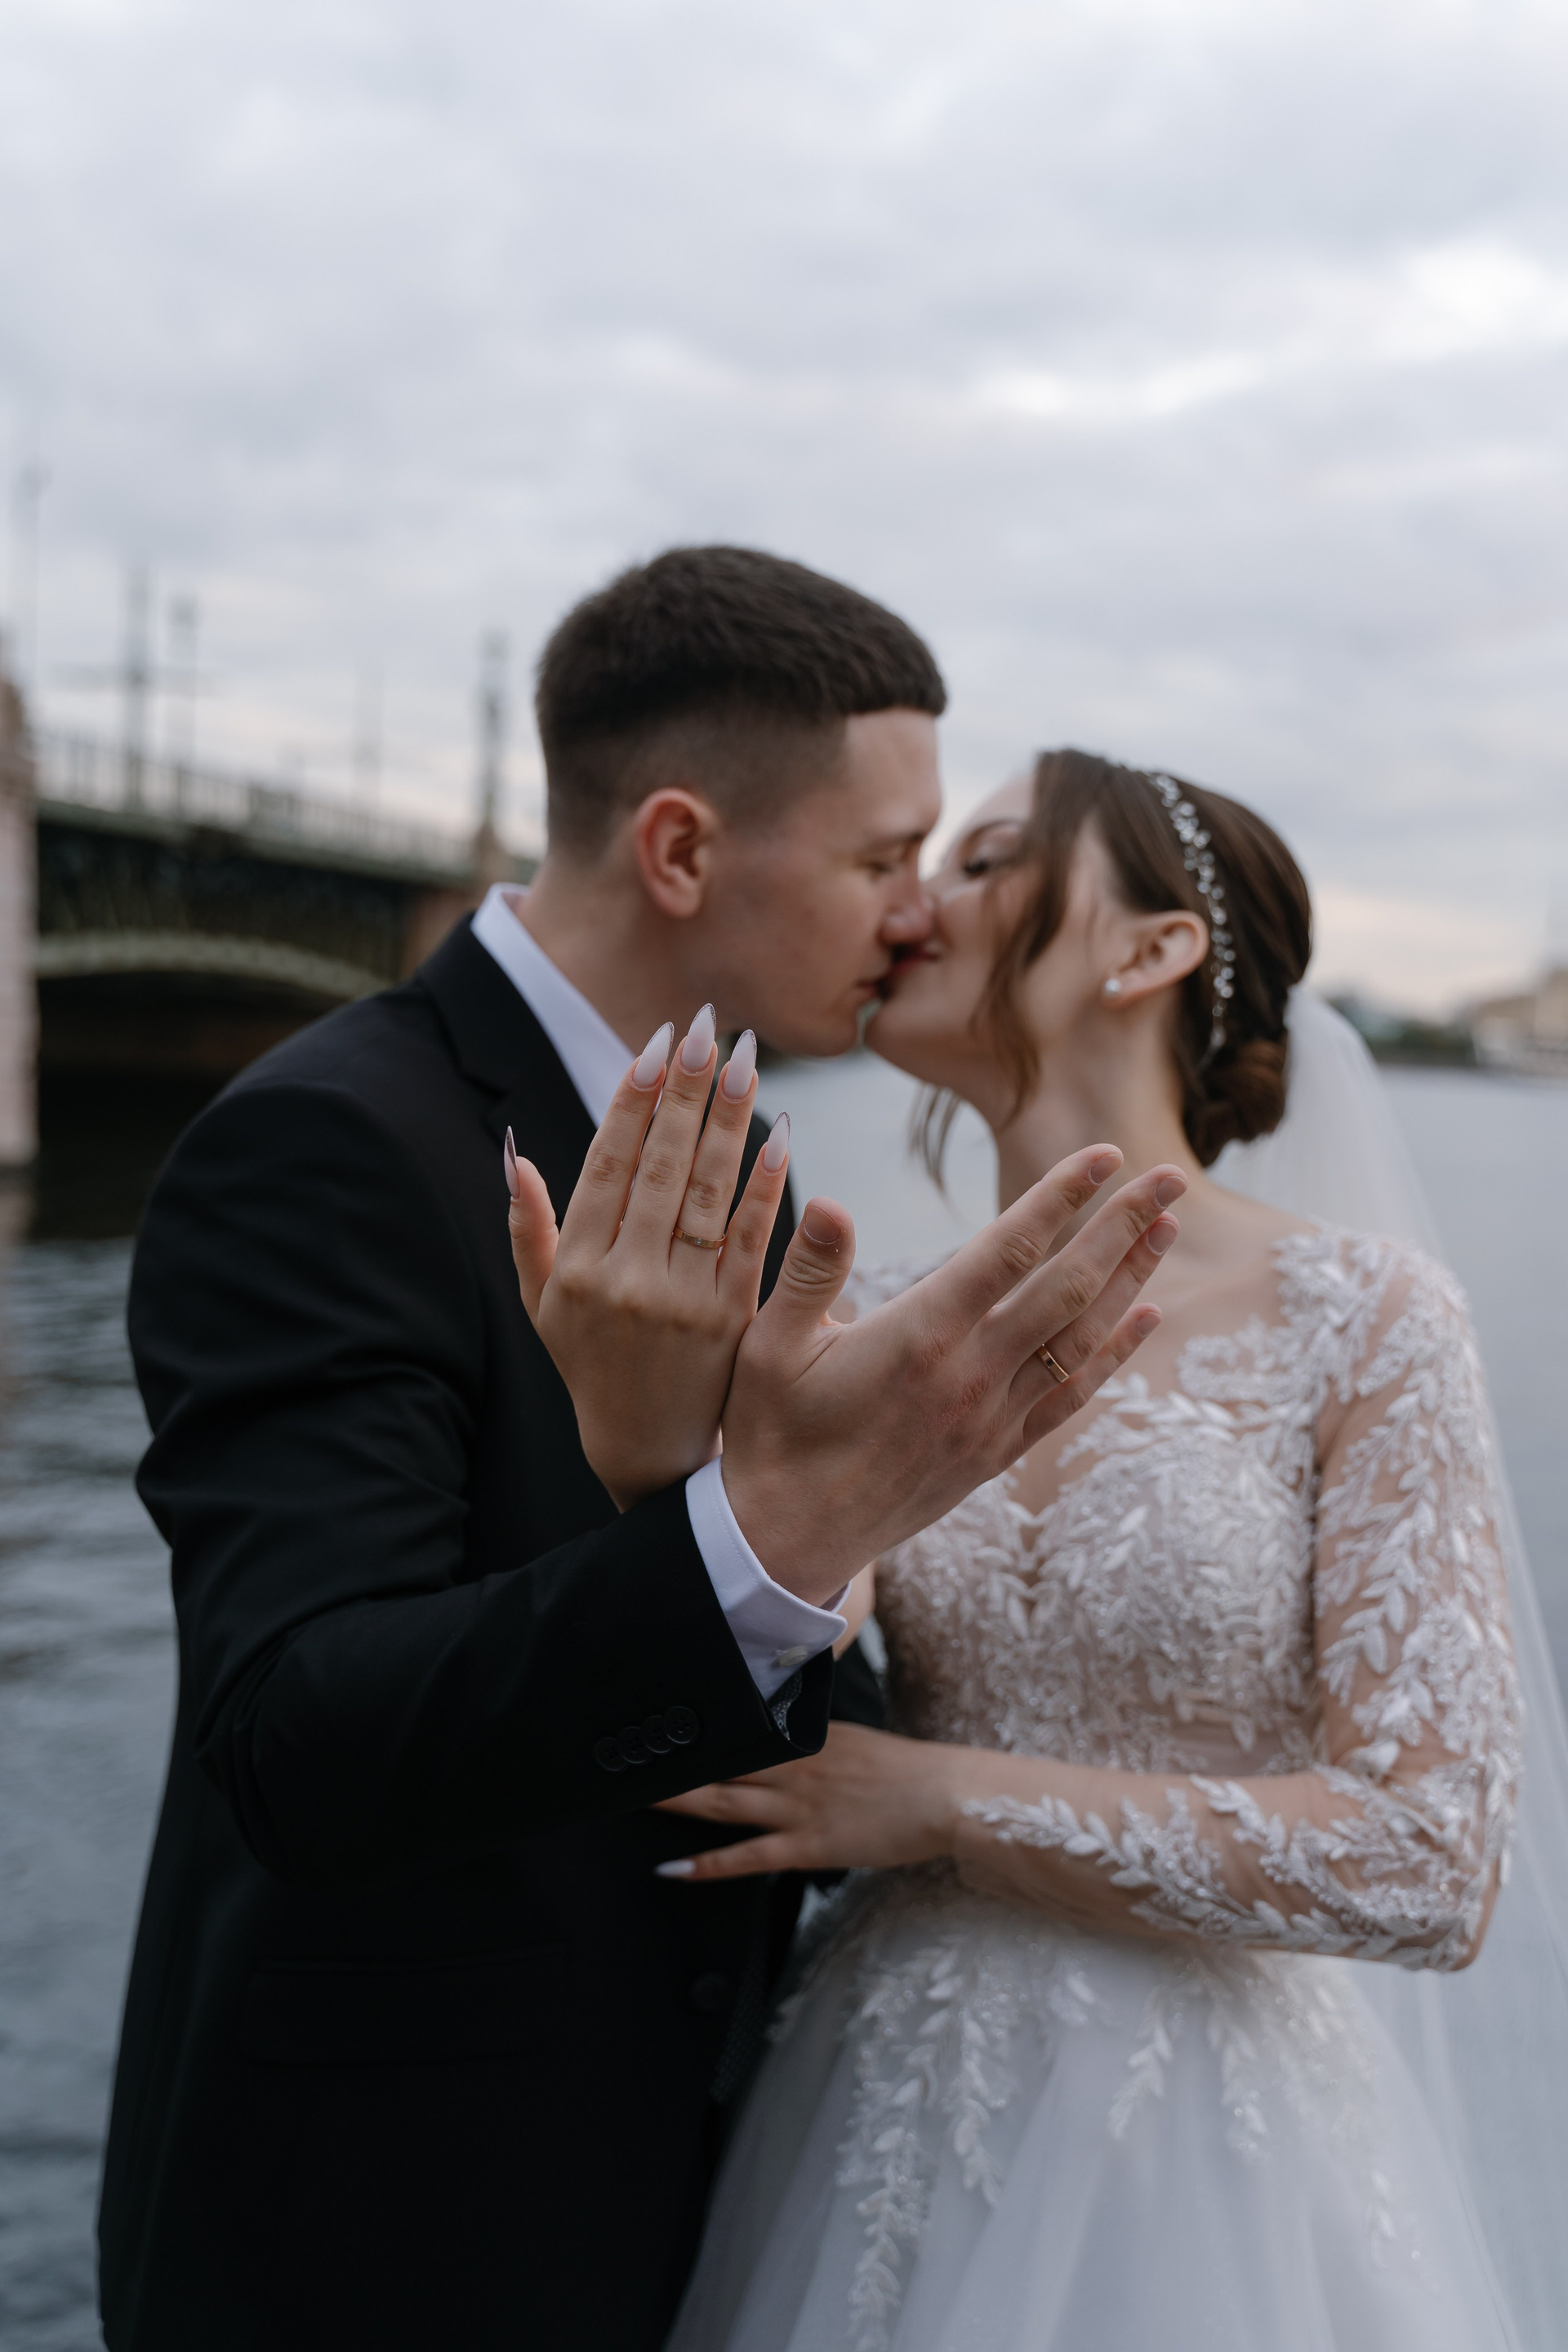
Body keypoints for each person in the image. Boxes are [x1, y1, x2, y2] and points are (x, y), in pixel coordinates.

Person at [100, 560, 1178, 2352]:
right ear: (680, 849)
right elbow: (299, 1743)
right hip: (386, 2240)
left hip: (704, 2200)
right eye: (880, 857)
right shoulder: (324, 1143)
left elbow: (751, 1714)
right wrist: (766, 1531)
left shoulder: (728, 1162)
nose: (916, 913)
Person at [513, 748, 1549, 2350]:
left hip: (1214, 2157)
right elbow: (794, 1632)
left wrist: (933, 1799)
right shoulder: (856, 1316)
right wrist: (648, 1446)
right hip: (879, 2102)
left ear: (1149, 948)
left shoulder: (1368, 1320)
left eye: (987, 859)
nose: (917, 903)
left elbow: (1428, 1858)